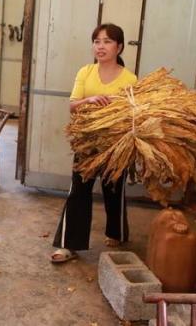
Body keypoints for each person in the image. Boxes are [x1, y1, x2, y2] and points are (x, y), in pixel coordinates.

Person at [50, 23, 137, 263]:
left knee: (114, 189)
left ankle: (116, 232)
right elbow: (72, 105)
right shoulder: (85, 72)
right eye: (97, 41)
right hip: (86, 142)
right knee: (78, 190)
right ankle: (69, 244)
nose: (101, 46)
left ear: (119, 47)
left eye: (107, 41)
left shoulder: (129, 78)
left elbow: (132, 113)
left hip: (115, 144)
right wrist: (90, 99)